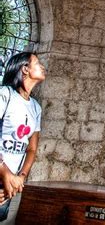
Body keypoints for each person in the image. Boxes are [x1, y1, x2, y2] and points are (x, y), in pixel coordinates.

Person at [0, 52, 46, 221]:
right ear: (25, 69)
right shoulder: (5, 95)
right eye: (37, 63)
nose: (42, 66)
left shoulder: (35, 107)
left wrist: (21, 177)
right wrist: (5, 173)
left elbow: (31, 148)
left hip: (12, 186)